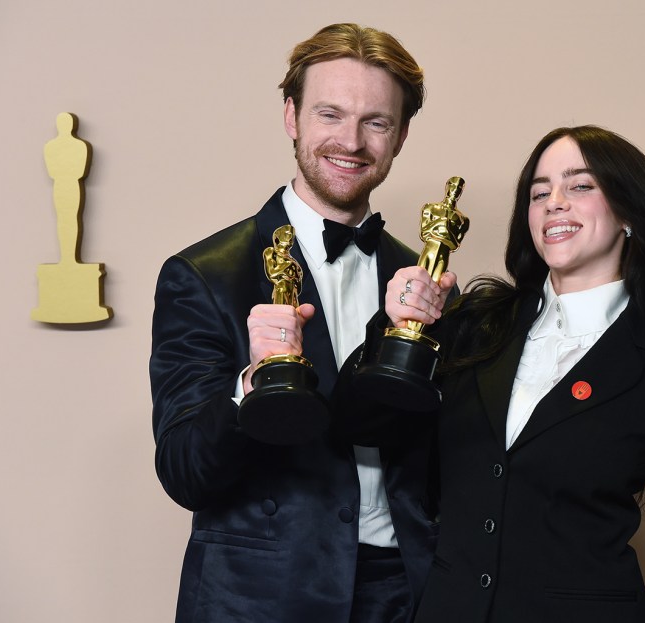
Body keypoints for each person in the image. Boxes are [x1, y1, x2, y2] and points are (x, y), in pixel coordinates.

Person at [343, 125, 645, 621]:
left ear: (628, 212)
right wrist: (393, 328)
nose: (554, 202)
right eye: (540, 193)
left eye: (580, 185)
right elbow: (363, 424)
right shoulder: (474, 325)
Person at [149, 23, 449, 623]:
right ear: (291, 116)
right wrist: (251, 385)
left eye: (376, 122)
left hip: (406, 595)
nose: (352, 141)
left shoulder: (424, 285)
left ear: (402, 135)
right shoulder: (203, 275)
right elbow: (185, 471)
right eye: (330, 114)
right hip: (259, 598)